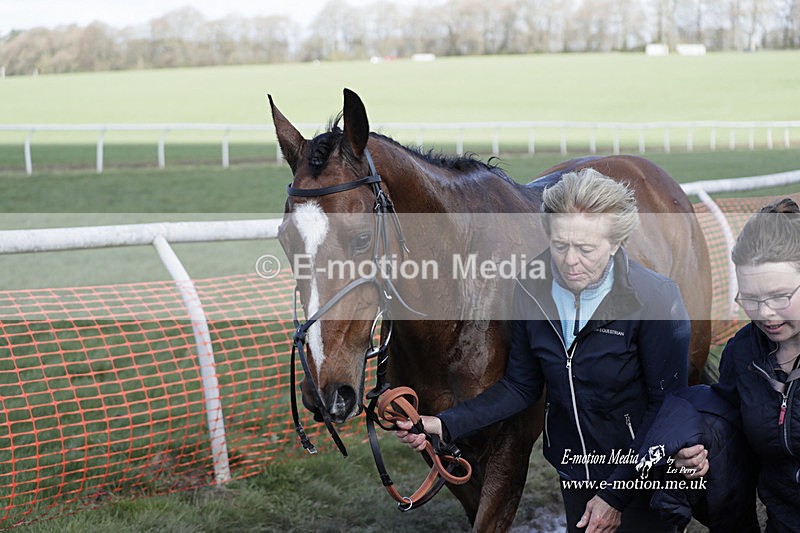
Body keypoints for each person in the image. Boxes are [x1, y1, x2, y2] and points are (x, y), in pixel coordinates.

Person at [397, 168, 691, 533]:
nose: (569, 261)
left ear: (615, 243)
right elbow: (520, 387)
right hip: (575, 469)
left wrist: (615, 497)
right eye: (560, 245)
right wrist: (442, 424)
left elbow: (667, 411)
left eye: (585, 249)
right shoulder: (530, 288)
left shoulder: (657, 299)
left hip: (642, 472)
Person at [675, 198, 800, 533]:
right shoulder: (742, 352)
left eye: (779, 297)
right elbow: (728, 430)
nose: (765, 314)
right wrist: (695, 453)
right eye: (750, 299)